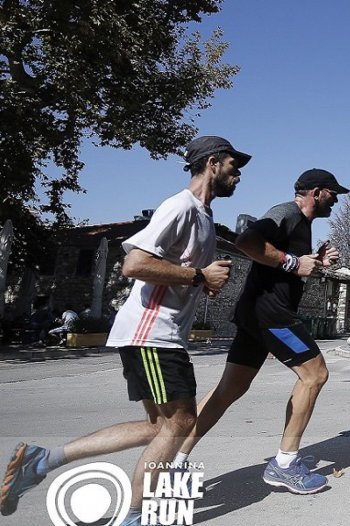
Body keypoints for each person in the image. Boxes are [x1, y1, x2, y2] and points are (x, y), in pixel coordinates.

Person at [0, 135, 250, 525]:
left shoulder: (203, 217)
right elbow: (133, 265)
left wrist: (202, 282)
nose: (239, 175)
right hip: (153, 334)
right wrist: (199, 274)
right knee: (181, 422)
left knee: (159, 427)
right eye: (235, 166)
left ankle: (41, 460)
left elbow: (174, 273)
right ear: (213, 162)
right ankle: (134, 517)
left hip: (157, 333)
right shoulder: (180, 206)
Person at [174, 168, 347, 495]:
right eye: (332, 193)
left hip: (257, 313)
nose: (336, 200)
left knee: (229, 390)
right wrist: (294, 263)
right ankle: (284, 464)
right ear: (315, 192)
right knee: (315, 375)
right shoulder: (286, 213)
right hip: (271, 315)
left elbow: (280, 266)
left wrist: (312, 262)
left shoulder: (302, 224)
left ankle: (175, 459)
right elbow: (247, 241)